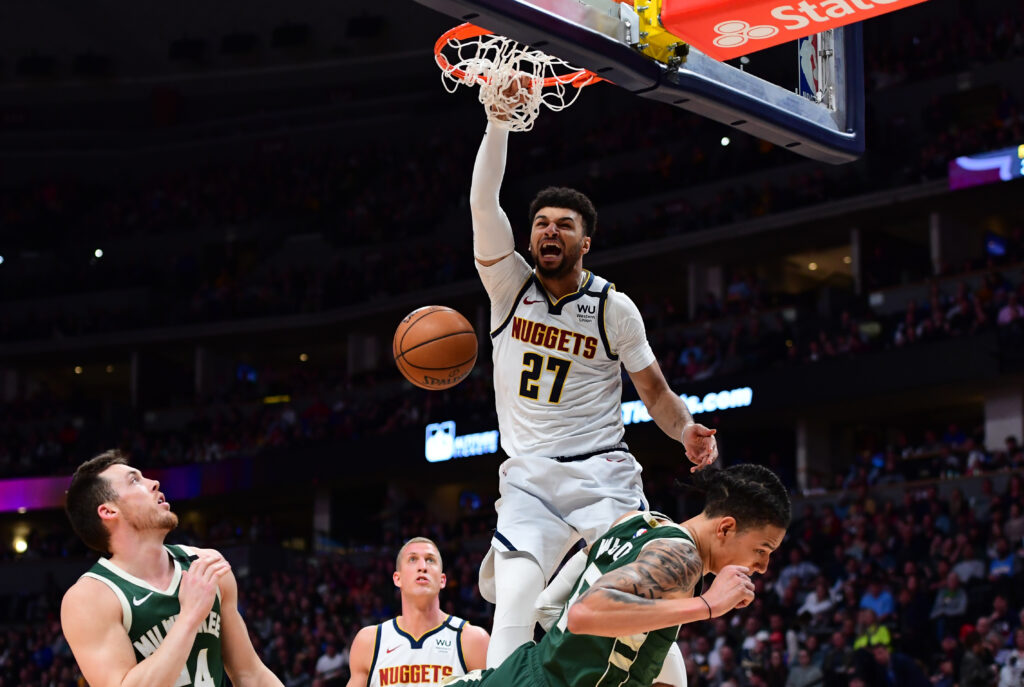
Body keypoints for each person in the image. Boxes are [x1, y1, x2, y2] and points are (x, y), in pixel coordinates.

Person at [469, 102, 718, 667]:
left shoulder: (613, 307)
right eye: (540, 223)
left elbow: (654, 391)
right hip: (528, 478)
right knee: (511, 608)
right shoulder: (508, 286)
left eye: (564, 225)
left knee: (649, 589)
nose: (548, 231)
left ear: (585, 243)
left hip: (599, 471)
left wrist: (685, 431)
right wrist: (499, 124)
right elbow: (484, 203)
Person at [445, 463, 791, 687]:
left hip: (525, 672)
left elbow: (549, 604)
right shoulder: (681, 556)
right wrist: (708, 605)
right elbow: (585, 613)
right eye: (762, 549)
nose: (762, 566)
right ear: (726, 528)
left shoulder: (634, 522)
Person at [60, 450, 284, 687]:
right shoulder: (90, 598)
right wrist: (189, 617)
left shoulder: (205, 564)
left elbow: (250, 674)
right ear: (108, 511)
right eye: (135, 480)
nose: (154, 482)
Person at [346, 537, 489, 687]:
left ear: (442, 580)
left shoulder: (473, 640)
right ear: (397, 578)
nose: (422, 567)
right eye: (413, 559)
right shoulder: (370, 641)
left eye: (430, 560)